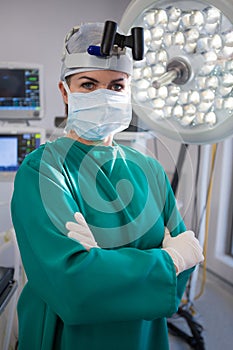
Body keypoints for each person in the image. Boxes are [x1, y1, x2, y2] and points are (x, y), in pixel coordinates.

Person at [11, 22, 203, 350]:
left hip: (143, 336)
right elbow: (74, 288)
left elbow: (183, 273)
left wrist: (104, 263)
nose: (104, 95)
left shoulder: (149, 169)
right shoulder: (42, 170)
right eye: (88, 84)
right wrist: (166, 261)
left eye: (116, 86)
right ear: (64, 92)